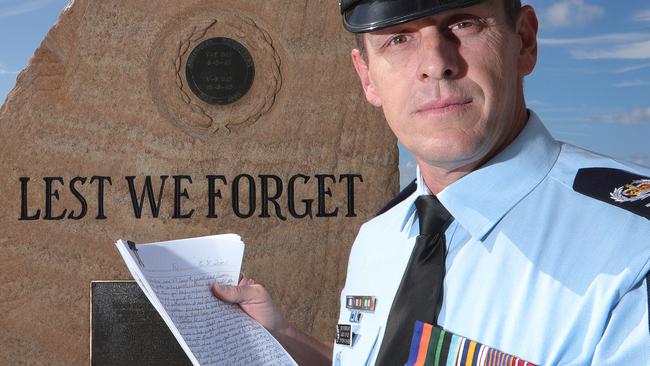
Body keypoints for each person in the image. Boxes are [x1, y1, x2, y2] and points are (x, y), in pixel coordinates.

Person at [213, 0, 650, 364]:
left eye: (463, 23)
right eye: (399, 39)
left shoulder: (633, 251)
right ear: (367, 77)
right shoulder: (379, 238)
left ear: (526, 42)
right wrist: (281, 335)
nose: (436, 64)